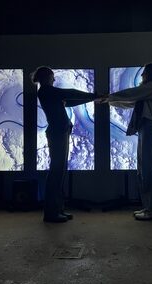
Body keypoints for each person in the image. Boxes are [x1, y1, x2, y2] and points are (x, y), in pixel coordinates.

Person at [97, 63, 152, 220]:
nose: (142, 76)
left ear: (151, 74)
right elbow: (129, 102)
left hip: (149, 129)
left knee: (149, 169)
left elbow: (133, 94)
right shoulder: (148, 92)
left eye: (144, 73)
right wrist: (108, 100)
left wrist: (110, 97)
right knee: (143, 169)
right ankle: (148, 206)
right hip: (145, 129)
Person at [31, 66, 97, 223]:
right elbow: (70, 93)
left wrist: (92, 98)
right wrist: (93, 96)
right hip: (57, 133)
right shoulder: (46, 91)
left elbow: (70, 101)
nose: (54, 79)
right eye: (52, 76)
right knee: (56, 173)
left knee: (59, 172)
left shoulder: (50, 93)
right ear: (46, 76)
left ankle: (58, 209)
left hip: (60, 132)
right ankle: (51, 213)